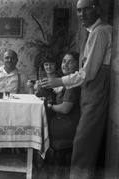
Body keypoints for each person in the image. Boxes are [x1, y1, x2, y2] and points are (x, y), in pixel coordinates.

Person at [41, 0, 112, 178]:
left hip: (96, 93)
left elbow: (87, 73)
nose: (81, 14)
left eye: (86, 9)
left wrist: (58, 81)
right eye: (78, 10)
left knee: (83, 145)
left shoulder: (100, 32)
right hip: (89, 93)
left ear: (97, 9)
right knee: (83, 145)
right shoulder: (91, 33)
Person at [47, 52, 81, 141]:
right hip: (62, 121)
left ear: (78, 66)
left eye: (71, 62)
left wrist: (50, 106)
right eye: (64, 61)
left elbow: (65, 109)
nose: (65, 65)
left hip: (67, 125)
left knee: (40, 127)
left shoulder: (73, 84)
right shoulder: (67, 82)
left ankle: (38, 154)